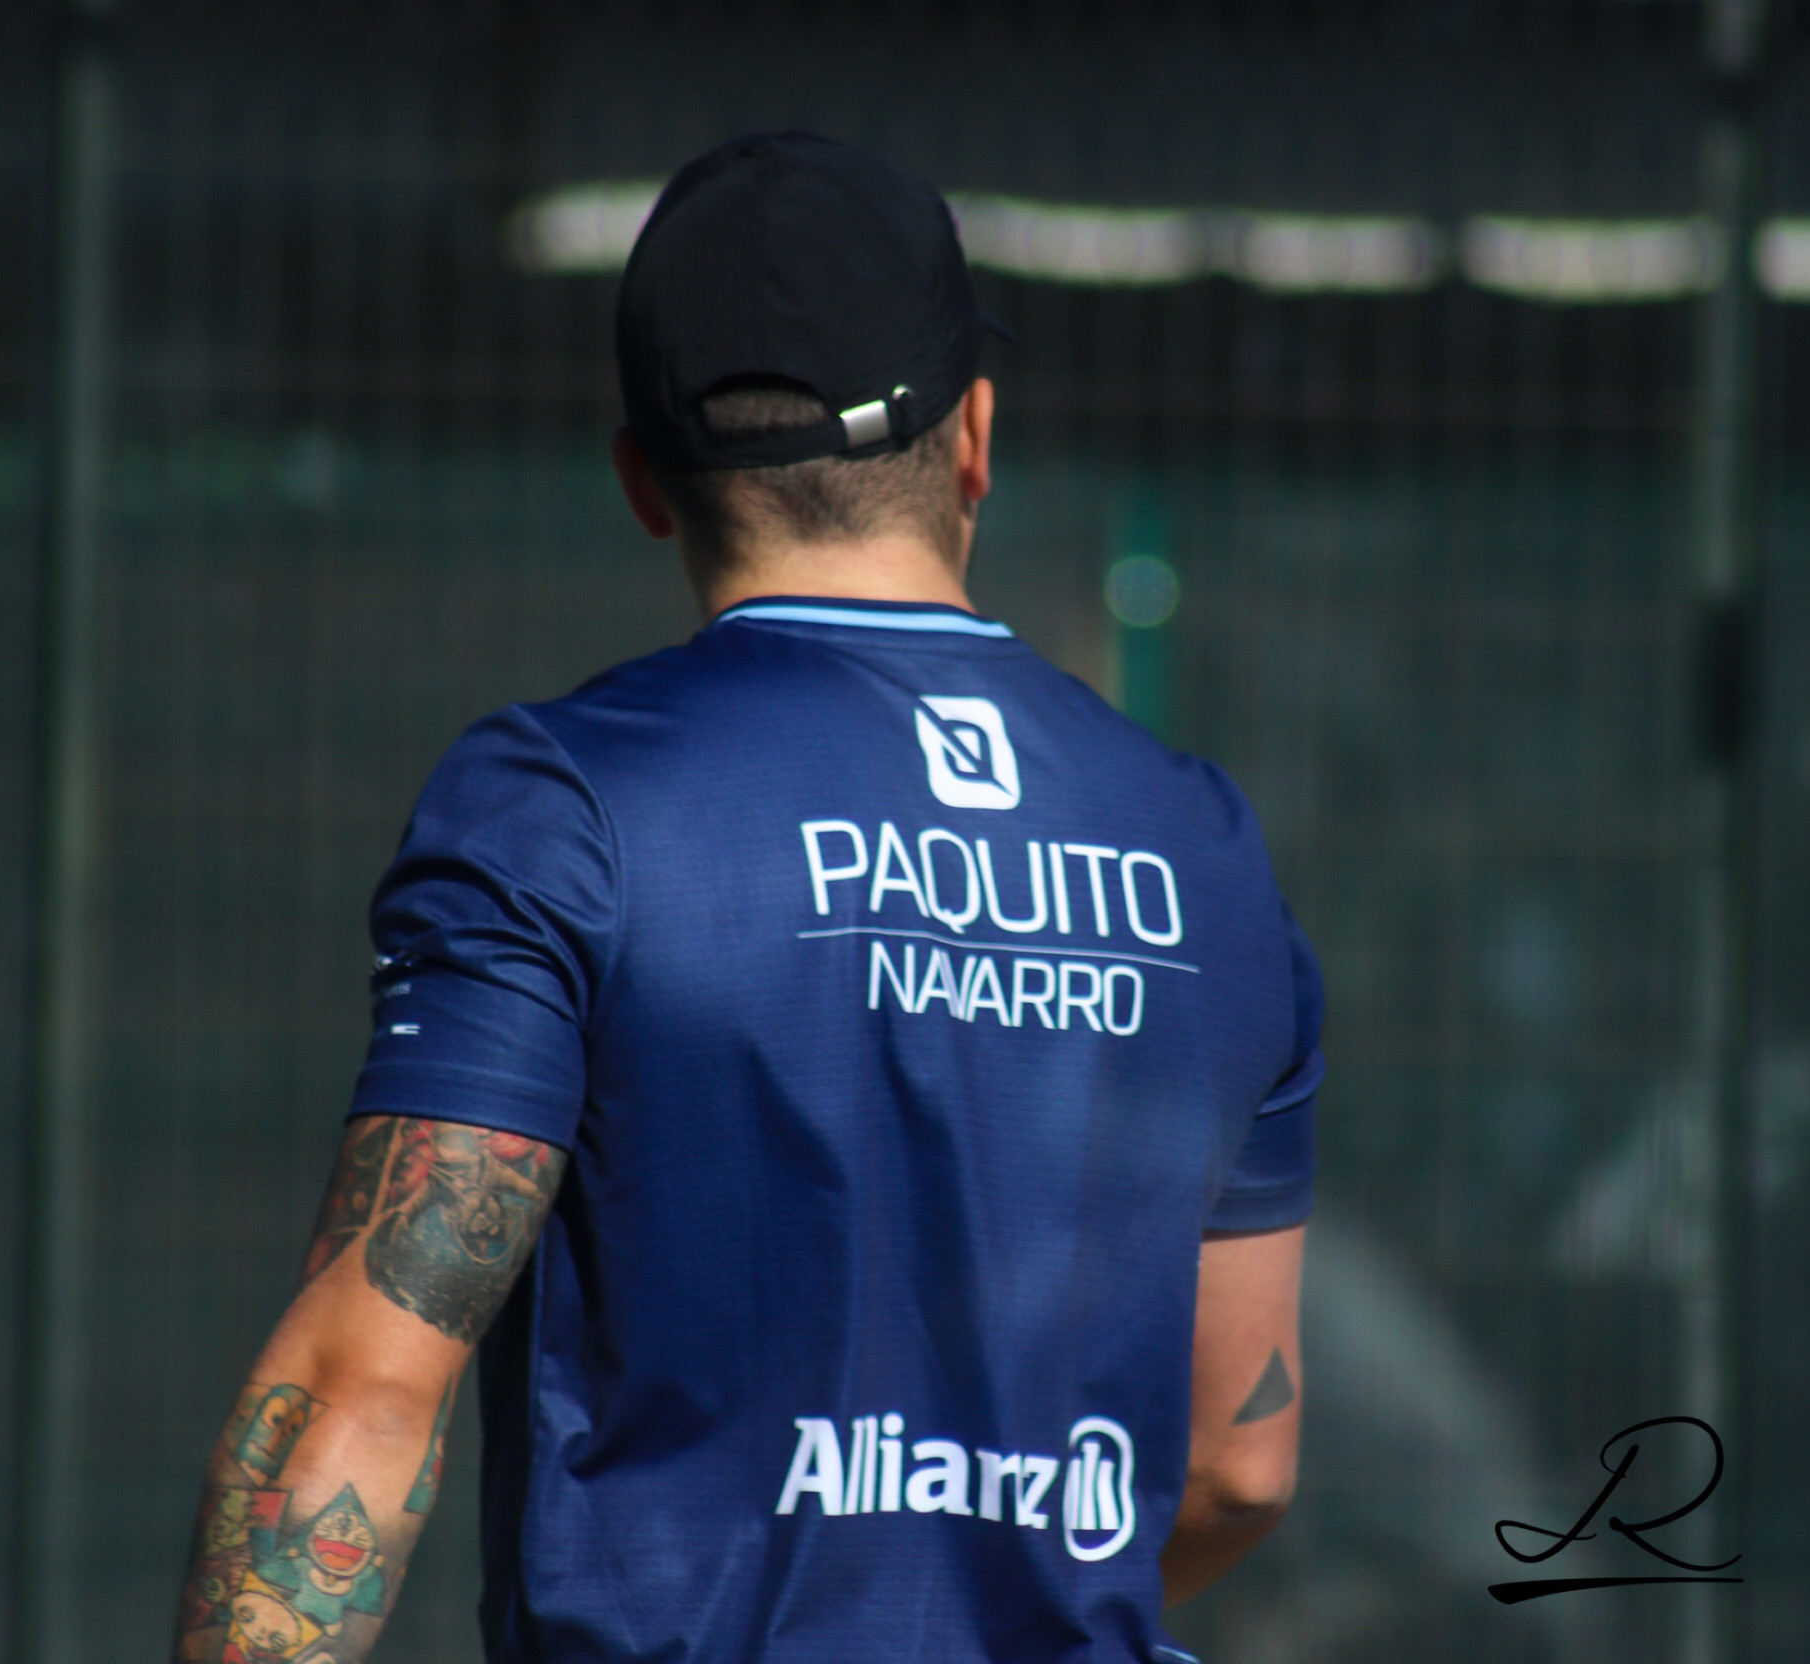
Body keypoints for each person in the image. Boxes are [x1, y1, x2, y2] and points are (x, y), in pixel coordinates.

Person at [171, 132, 1322, 1664]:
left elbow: (358, 1399)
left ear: (643, 483)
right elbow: (1239, 1465)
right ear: (976, 438)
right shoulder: (1206, 850)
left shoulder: (566, 809)